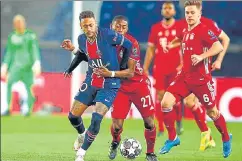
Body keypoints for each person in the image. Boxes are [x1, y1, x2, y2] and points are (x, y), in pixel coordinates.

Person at [64, 15, 158, 161]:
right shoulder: (105, 38)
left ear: (127, 28)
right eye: (117, 26)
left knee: (149, 122)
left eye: (124, 27)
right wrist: (74, 51)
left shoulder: (131, 43)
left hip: (137, 84)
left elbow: (130, 72)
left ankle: (150, 153)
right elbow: (90, 56)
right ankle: (115, 142)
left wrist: (111, 73)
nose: (120, 29)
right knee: (116, 126)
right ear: (112, 27)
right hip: (119, 86)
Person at [159, 1, 232, 158]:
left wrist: (201, 57)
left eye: (192, 13)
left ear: (199, 14)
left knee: (212, 112)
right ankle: (173, 138)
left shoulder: (205, 29)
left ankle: (226, 137)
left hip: (201, 80)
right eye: (187, 13)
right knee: (165, 103)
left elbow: (218, 46)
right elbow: (180, 39)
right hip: (184, 77)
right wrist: (169, 46)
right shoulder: (185, 28)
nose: (189, 15)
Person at [60, 11, 133, 161]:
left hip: (109, 83)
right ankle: (82, 134)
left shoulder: (107, 35)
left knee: (96, 118)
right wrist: (70, 68)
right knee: (73, 116)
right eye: (85, 26)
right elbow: (83, 55)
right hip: (91, 80)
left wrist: (122, 66)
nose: (89, 28)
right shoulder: (81, 40)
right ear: (81, 27)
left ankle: (81, 153)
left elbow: (128, 44)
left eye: (91, 25)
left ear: (96, 24)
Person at [143, 1, 184, 137]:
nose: (167, 10)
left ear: (174, 11)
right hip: (159, 68)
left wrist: (183, 63)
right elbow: (151, 49)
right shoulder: (155, 28)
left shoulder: (180, 26)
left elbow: (186, 46)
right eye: (164, 8)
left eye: (169, 8)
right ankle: (160, 127)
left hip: (175, 69)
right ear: (161, 11)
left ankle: (178, 121)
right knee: (160, 97)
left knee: (175, 99)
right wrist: (145, 67)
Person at [1, 14, 41, 116]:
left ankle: (28, 110)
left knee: (29, 87)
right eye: (16, 23)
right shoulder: (12, 37)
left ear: (24, 23)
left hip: (27, 67)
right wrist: (5, 65)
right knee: (9, 84)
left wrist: (37, 62)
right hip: (15, 67)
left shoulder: (30, 35)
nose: (19, 25)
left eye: (20, 22)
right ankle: (7, 108)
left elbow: (34, 50)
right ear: (14, 25)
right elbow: (9, 52)